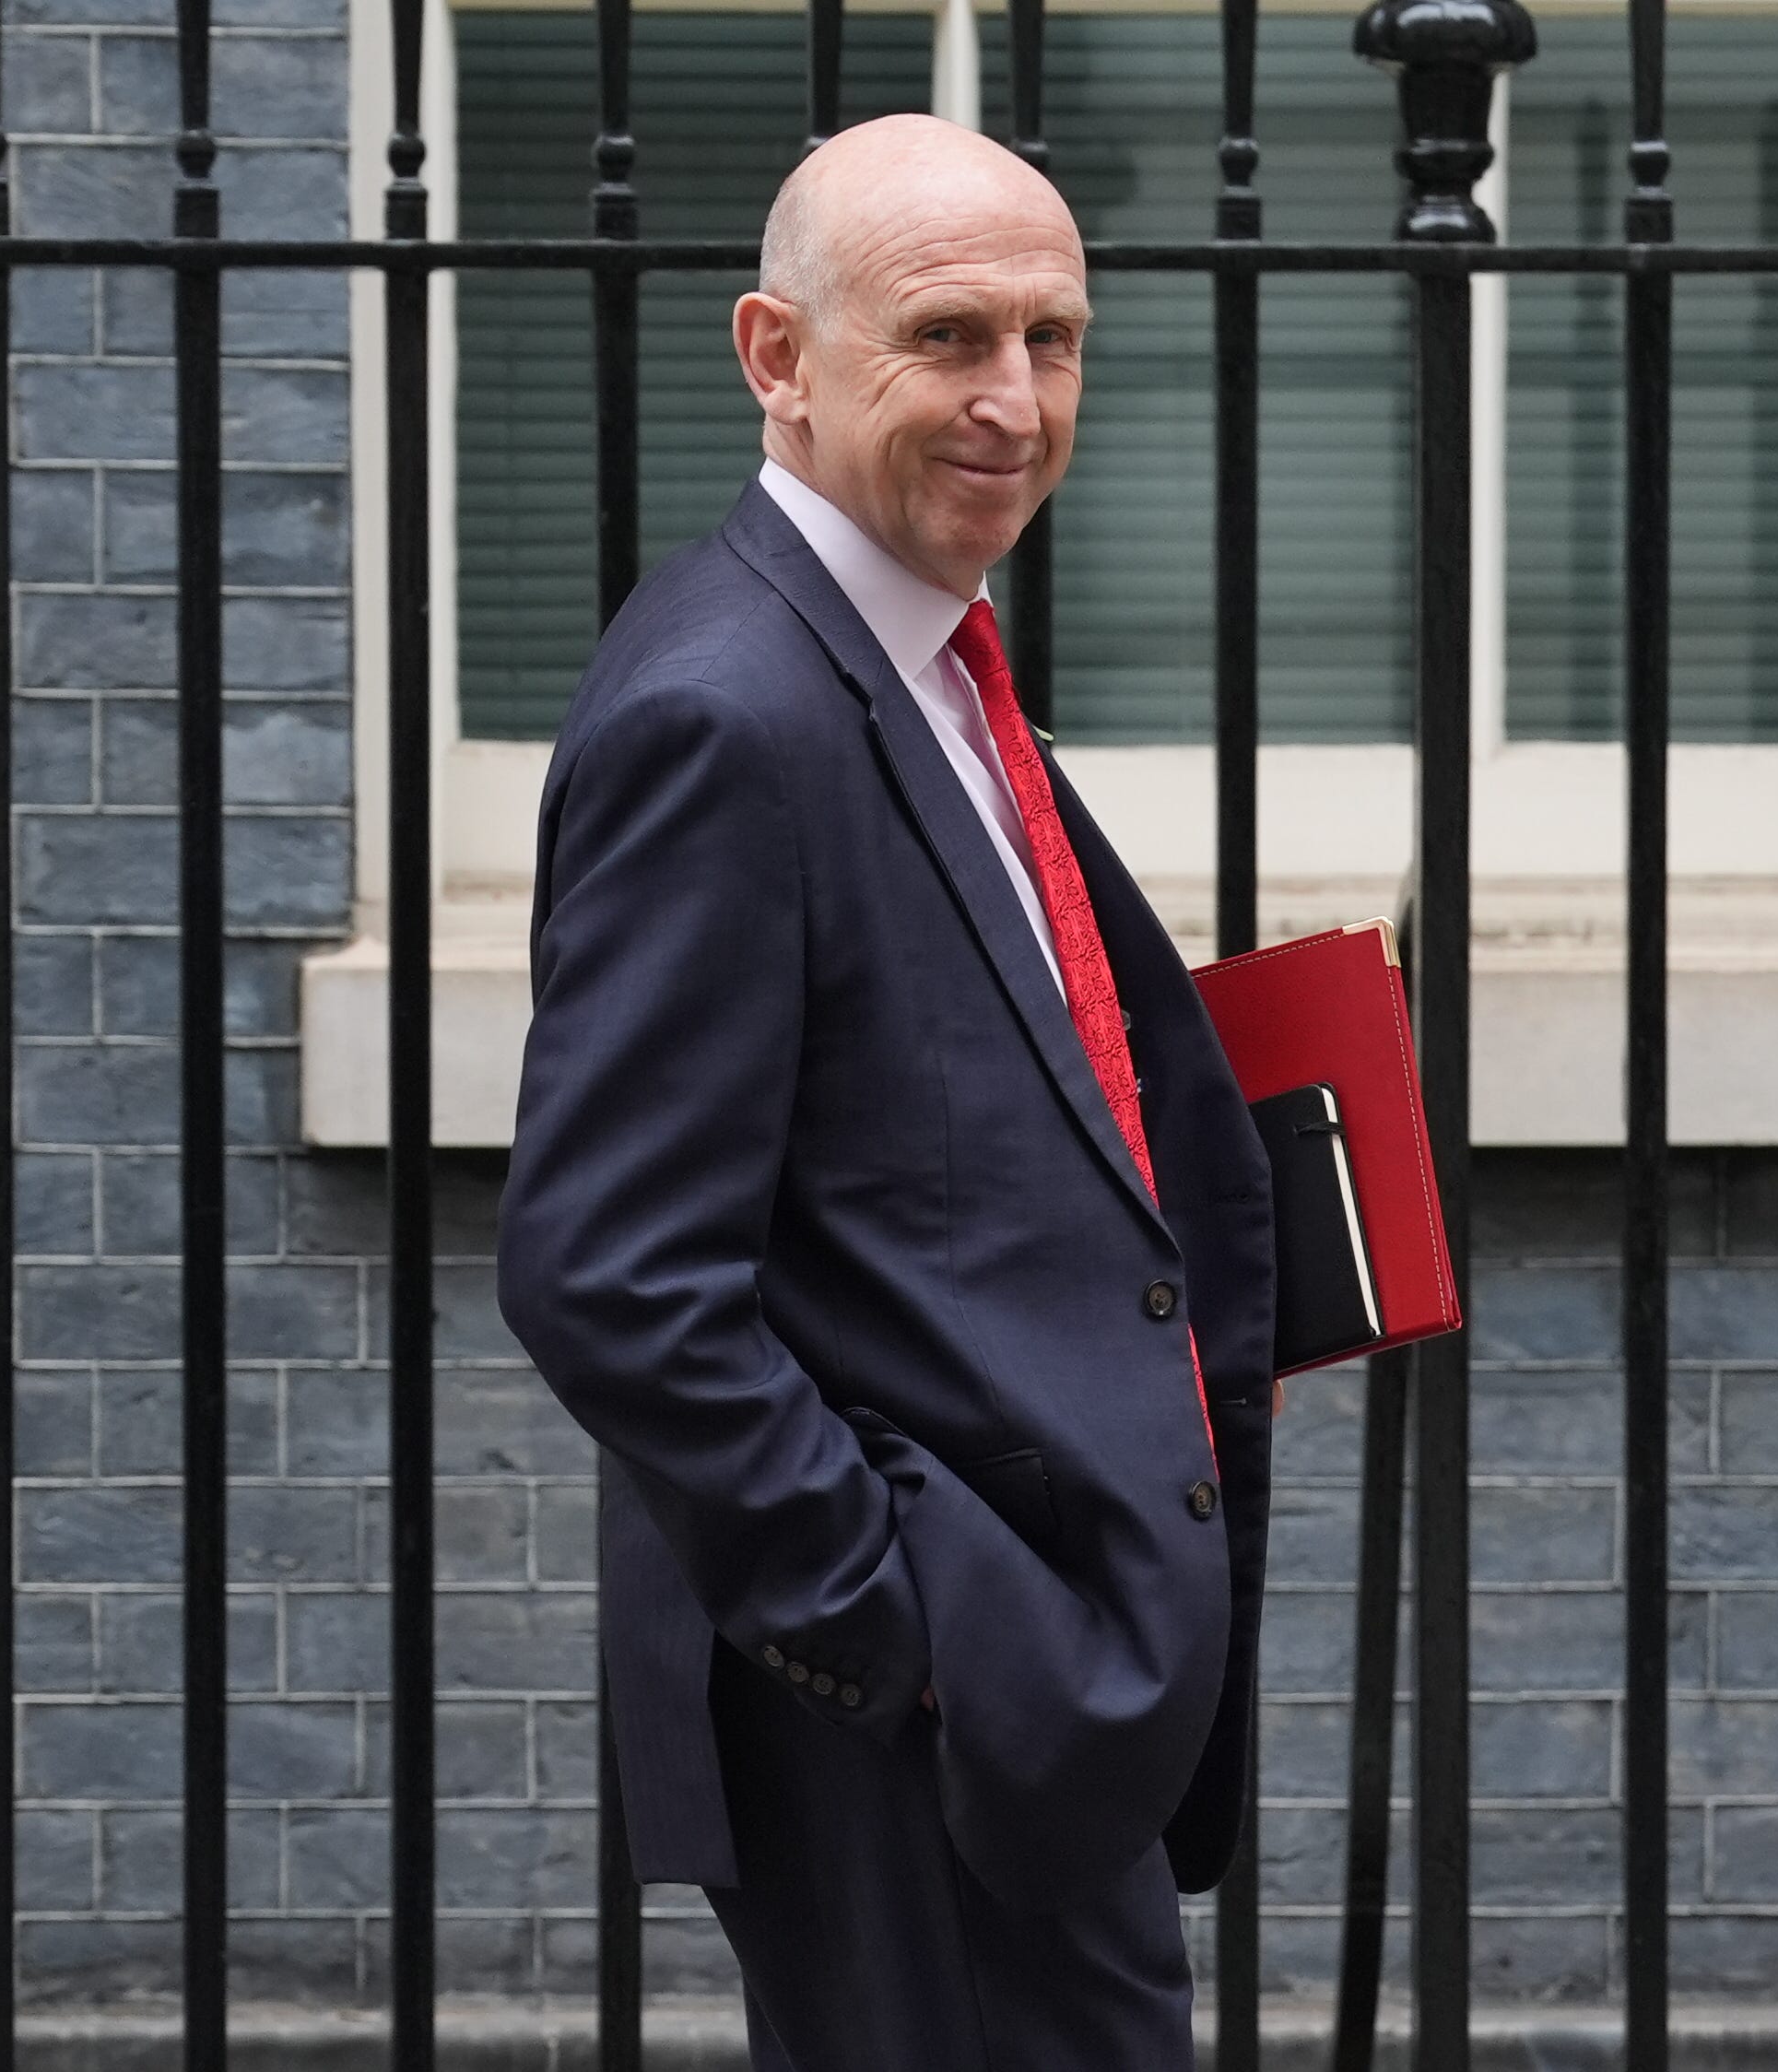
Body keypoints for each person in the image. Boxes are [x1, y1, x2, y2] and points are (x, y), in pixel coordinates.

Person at [496, 112, 1277, 2070]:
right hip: (924, 1709)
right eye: (947, 337)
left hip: (1027, 1676)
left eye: (1054, 337)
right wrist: (901, 1633)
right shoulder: (727, 708)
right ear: (779, 355)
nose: (1014, 399)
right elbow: (608, 1271)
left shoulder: (914, 659)